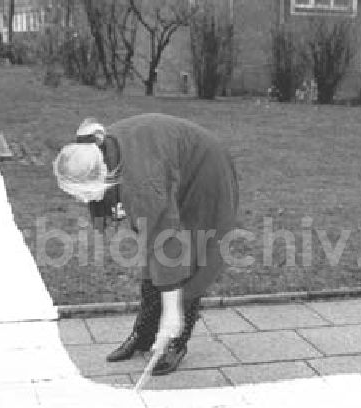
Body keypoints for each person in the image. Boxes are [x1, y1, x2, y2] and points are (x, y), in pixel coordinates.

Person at [53, 114, 240, 376]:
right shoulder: (97, 153)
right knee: (153, 254)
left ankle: (175, 341)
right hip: (168, 161)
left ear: (102, 177)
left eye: (83, 194)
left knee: (192, 255)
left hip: (204, 173)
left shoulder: (141, 186)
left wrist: (172, 315)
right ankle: (144, 334)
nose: (82, 202)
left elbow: (167, 247)